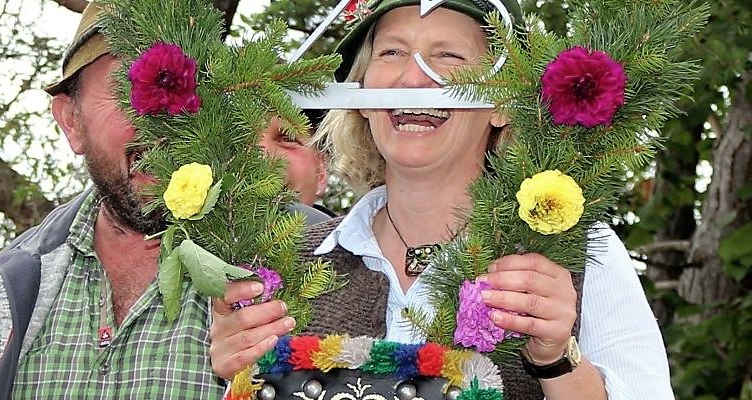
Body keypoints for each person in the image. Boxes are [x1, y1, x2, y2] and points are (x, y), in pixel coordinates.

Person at [208, 0, 672, 399]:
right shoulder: (286, 260)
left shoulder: (577, 255)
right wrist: (242, 374)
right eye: (391, 52)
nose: (414, 77)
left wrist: (555, 359)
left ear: (501, 105)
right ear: (362, 96)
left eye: (446, 56)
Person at [0, 2, 228, 399]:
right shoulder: (18, 280)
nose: (160, 115)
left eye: (182, 88)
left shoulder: (297, 255)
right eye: (129, 90)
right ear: (71, 121)